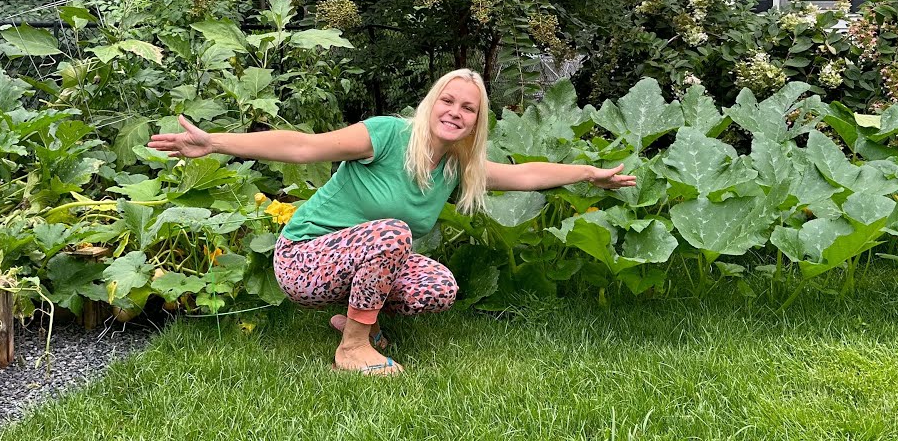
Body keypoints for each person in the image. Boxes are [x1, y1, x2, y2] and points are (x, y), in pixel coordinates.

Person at [147, 69, 634, 375]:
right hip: (303, 260)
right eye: (449, 101)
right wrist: (215, 142)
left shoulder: (454, 167)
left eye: (469, 108)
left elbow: (526, 175)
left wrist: (590, 173)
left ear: (476, 122)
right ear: (432, 104)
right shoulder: (386, 135)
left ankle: (355, 319)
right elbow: (304, 146)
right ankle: (353, 347)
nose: (456, 112)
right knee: (393, 232)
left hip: (359, 262)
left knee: (437, 285)